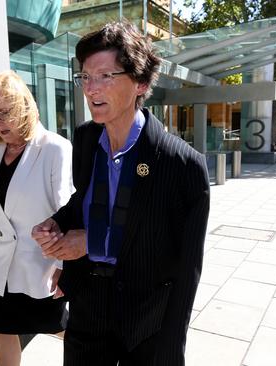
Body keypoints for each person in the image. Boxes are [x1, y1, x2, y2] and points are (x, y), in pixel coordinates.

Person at [31, 21, 210, 366]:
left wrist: (172, 350)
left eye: (105, 76)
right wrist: (55, 222)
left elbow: (185, 271)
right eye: (85, 77)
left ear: (141, 82)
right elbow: (84, 202)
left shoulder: (183, 166)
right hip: (88, 308)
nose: (91, 88)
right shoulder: (85, 140)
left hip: (145, 319)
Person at [0, 70, 74, 366]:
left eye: (4, 112)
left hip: (40, 262)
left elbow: (66, 210)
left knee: (61, 327)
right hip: (2, 263)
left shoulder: (54, 147)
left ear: (24, 105)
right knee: (1, 326)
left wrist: (63, 266)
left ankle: (104, 355)